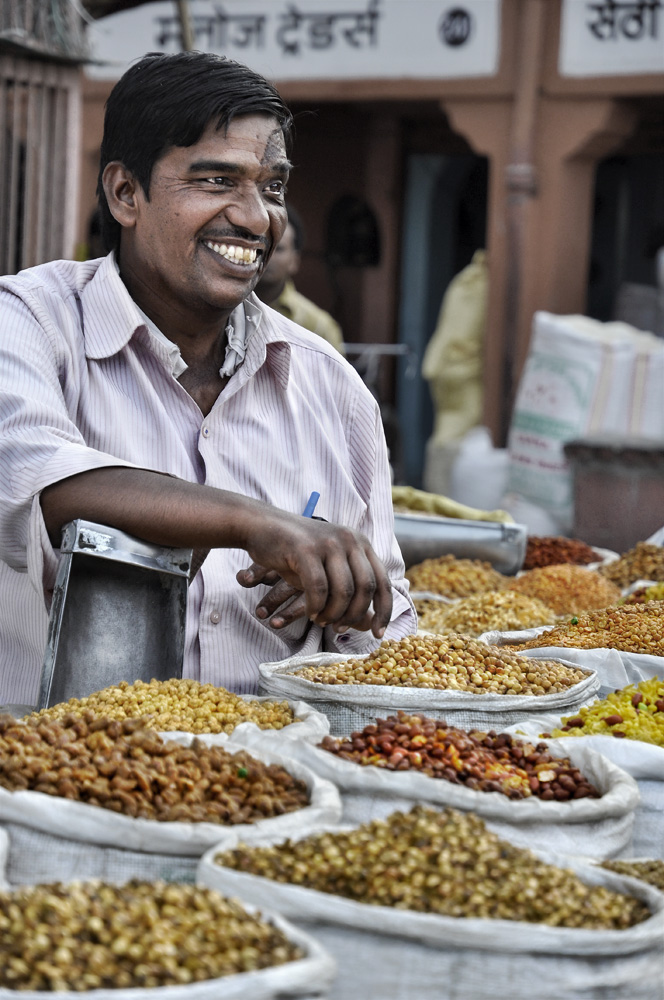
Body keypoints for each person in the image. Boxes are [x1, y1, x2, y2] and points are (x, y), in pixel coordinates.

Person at [0, 51, 415, 707]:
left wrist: (343, 594)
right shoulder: (27, 322)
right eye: (217, 181)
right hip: (39, 789)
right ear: (125, 193)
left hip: (270, 789)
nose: (256, 219)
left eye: (272, 187)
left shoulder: (332, 389)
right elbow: (30, 472)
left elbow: (386, 633)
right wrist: (257, 523)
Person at [255, 204, 345, 354]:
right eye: (261, 246)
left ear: (294, 260)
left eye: (279, 249)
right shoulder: (224, 312)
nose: (268, 256)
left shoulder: (319, 327)